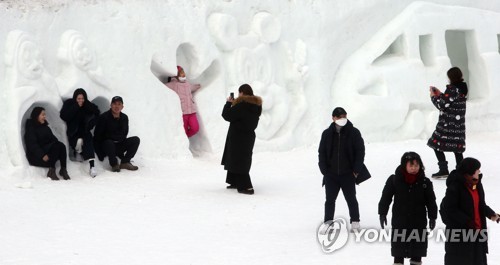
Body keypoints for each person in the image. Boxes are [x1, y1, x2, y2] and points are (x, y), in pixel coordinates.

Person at [378, 152, 438, 265]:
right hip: (400, 222)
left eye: (416, 165)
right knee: (398, 252)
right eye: (411, 165)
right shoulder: (394, 180)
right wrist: (382, 213)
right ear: (404, 165)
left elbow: (431, 202)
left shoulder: (425, 182)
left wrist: (432, 217)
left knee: (417, 252)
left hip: (418, 223)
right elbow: (385, 198)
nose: (414, 168)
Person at [440, 157, 499, 265]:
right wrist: (467, 221)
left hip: (478, 232)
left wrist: (491, 214)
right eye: (477, 169)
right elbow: (450, 209)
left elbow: (480, 204)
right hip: (460, 234)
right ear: (470, 172)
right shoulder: (455, 186)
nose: (479, 171)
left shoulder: (477, 184)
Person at [318, 107, 368, 231]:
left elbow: (360, 151)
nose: (342, 119)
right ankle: (328, 223)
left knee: (351, 199)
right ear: (333, 118)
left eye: (344, 116)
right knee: (329, 200)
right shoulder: (327, 133)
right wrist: (324, 170)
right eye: (339, 117)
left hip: (348, 174)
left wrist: (356, 169)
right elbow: (322, 152)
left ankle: (355, 222)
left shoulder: (354, 132)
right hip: (331, 174)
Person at [221, 84, 262, 195]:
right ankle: (234, 181)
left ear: (242, 93)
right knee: (241, 158)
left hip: (238, 137)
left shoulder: (242, 105)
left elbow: (226, 115)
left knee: (238, 159)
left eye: (239, 93)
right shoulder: (256, 105)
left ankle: (246, 187)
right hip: (248, 137)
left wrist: (229, 103)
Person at [428, 66, 468, 178]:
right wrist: (441, 94)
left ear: (450, 77)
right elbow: (450, 101)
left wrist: (433, 97)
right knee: (457, 148)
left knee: (435, 144)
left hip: (447, 125)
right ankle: (461, 170)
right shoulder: (462, 88)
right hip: (458, 125)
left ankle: (443, 169)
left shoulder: (452, 89)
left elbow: (442, 105)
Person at [60, 88, 100, 177]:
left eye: (82, 98)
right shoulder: (69, 104)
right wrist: (76, 107)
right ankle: (78, 151)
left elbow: (97, 112)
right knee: (78, 142)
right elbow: (64, 116)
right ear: (75, 98)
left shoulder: (87, 105)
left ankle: (92, 166)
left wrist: (92, 123)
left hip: (85, 131)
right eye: (79, 99)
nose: (81, 101)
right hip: (73, 132)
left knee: (88, 141)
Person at [93, 96, 140, 172]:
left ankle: (125, 162)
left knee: (136, 140)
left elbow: (124, 133)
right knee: (109, 142)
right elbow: (98, 135)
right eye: (114, 104)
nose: (116, 106)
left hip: (119, 145)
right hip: (107, 147)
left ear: (122, 106)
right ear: (111, 105)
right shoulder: (104, 117)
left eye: (119, 104)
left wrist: (111, 135)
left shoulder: (124, 117)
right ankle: (114, 164)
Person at [24, 107, 71, 180]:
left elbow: (54, 140)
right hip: (37, 158)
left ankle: (63, 169)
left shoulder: (45, 128)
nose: (44, 116)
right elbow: (32, 145)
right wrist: (42, 155)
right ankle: (51, 171)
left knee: (61, 145)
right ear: (36, 115)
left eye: (45, 115)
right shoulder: (31, 128)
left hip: (49, 157)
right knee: (56, 146)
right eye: (43, 115)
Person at [164, 65, 201, 138]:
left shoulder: (187, 83)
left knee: (195, 128)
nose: (183, 74)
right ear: (177, 74)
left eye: (183, 72)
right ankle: (183, 143)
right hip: (183, 113)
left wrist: (198, 86)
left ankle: (185, 140)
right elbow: (164, 86)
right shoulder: (174, 84)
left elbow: (192, 87)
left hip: (192, 112)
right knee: (184, 131)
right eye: (181, 73)